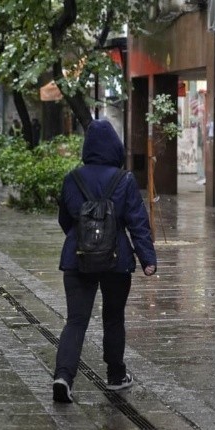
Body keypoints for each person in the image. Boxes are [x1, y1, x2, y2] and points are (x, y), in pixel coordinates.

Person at [52, 119, 157, 403]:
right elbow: (138, 222)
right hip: (116, 260)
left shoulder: (72, 178)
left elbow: (65, 219)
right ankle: (115, 375)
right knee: (113, 317)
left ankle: (63, 376)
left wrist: (84, 239)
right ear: (115, 147)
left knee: (76, 320)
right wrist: (147, 259)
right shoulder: (125, 180)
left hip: (77, 258)